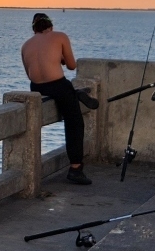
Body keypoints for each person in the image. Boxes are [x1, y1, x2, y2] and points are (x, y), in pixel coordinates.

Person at [21, 12, 100, 184]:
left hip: (36, 88)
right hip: (58, 85)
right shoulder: (60, 36)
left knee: (67, 95)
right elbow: (72, 66)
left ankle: (76, 94)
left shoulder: (25, 45)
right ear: (50, 27)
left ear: (34, 29)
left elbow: (30, 74)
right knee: (74, 122)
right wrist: (61, 59)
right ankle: (76, 168)